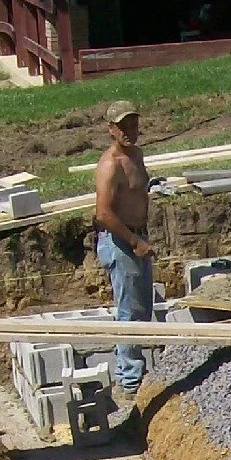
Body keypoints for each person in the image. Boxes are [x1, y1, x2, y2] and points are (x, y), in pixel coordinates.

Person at [91, 99, 153, 397]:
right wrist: (134, 241)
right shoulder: (110, 166)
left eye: (133, 124)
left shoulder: (137, 155)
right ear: (111, 130)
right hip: (120, 242)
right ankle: (129, 383)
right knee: (129, 313)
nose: (129, 131)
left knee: (142, 309)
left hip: (137, 237)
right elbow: (103, 213)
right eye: (122, 126)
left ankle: (138, 374)